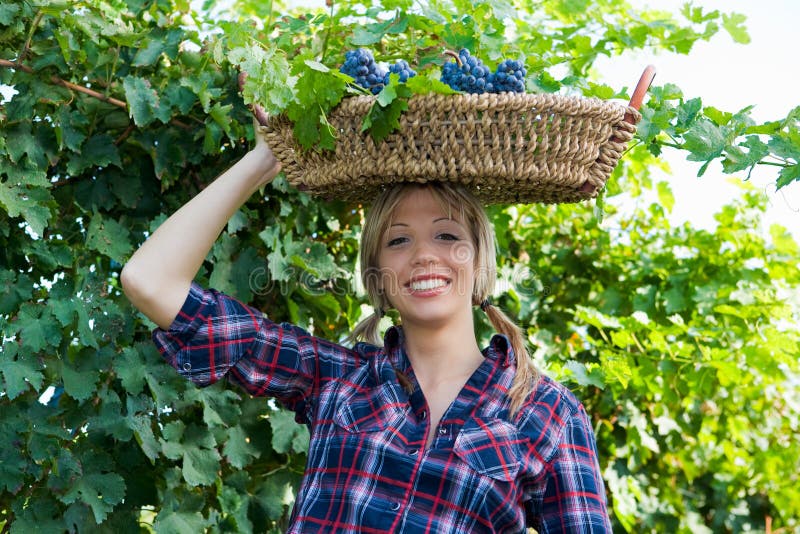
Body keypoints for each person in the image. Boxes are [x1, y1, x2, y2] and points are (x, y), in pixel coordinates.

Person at [121, 128, 612, 533]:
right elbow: (151, 282)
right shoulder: (334, 377)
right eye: (399, 240)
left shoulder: (547, 413)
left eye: (446, 235)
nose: (424, 254)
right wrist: (262, 160)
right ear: (375, 273)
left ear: (479, 260)